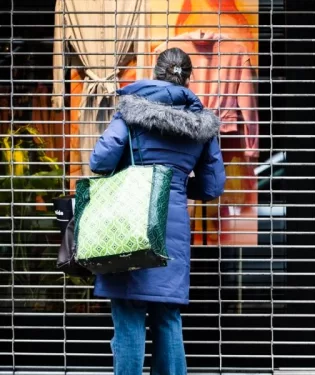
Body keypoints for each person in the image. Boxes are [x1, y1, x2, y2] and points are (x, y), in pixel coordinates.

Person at [88, 47, 226, 375]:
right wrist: (175, 186)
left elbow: (99, 161)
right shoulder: (202, 125)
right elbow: (212, 186)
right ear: (187, 77)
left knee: (129, 317)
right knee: (167, 318)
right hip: (172, 229)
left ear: (156, 71)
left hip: (128, 222)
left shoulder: (130, 111)